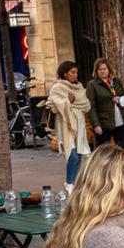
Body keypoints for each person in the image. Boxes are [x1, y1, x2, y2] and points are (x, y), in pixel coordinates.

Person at [48, 61, 91, 192]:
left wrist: (73, 103)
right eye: (72, 72)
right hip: (66, 125)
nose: (75, 75)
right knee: (72, 154)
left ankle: (78, 184)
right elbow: (54, 105)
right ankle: (70, 184)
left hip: (80, 125)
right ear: (65, 73)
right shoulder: (57, 87)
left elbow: (86, 104)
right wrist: (68, 102)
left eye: (76, 72)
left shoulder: (80, 88)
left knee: (80, 154)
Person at [86, 58, 124, 148]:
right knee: (104, 151)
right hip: (104, 124)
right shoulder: (92, 85)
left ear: (109, 69)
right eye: (100, 69)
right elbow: (91, 107)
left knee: (121, 149)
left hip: (120, 121)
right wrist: (96, 125)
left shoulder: (116, 81)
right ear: (96, 71)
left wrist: (119, 99)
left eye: (104, 69)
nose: (102, 71)